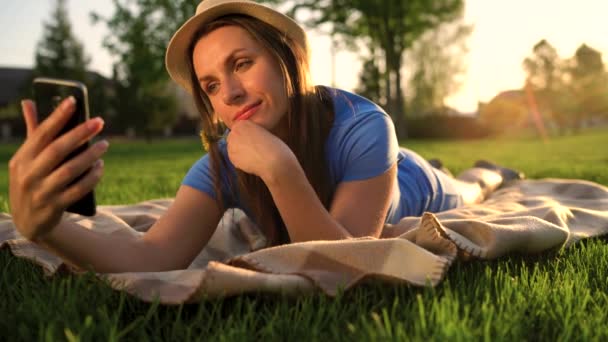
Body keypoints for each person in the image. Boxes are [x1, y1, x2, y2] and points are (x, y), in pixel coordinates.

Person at [8, 0, 523, 273]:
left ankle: (487, 171)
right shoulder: (221, 163)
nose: (229, 93)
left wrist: (279, 169)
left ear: (286, 63)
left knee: (466, 189)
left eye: (242, 63)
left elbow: (347, 257)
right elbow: (152, 258)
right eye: (211, 84)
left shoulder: (364, 125)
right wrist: (46, 227)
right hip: (368, 168)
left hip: (406, 180)